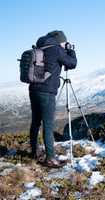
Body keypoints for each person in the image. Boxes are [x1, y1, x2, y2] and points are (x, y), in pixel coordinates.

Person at [29, 30, 77, 168]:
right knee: (48, 125)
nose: (64, 44)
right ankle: (50, 157)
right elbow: (72, 64)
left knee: (36, 122)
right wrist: (71, 51)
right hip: (47, 92)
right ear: (60, 41)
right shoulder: (56, 49)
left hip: (33, 88)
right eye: (64, 42)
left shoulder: (40, 47)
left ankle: (36, 151)